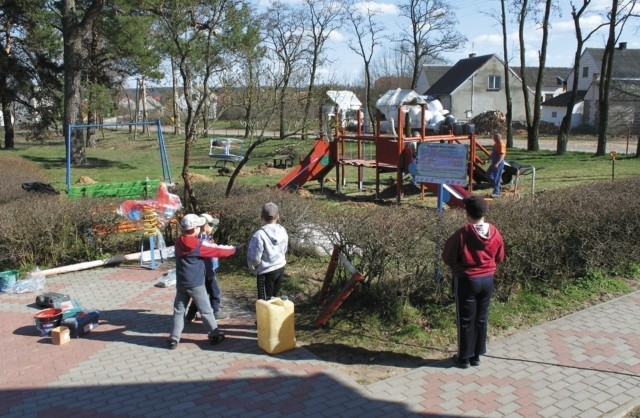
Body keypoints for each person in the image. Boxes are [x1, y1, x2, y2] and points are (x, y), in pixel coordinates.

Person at [442, 196, 505, 368]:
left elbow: (447, 256)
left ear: (467, 213)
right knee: (481, 318)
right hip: (487, 280)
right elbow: (500, 256)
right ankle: (477, 355)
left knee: (465, 319)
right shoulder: (494, 231)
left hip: (467, 280)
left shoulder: (463, 233)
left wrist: (458, 264)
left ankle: (464, 357)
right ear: (485, 212)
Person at [167, 214, 239, 350]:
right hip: (196, 284)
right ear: (195, 229)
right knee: (206, 310)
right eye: (199, 226)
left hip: (182, 283)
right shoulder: (197, 245)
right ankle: (214, 334)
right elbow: (217, 251)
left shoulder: (178, 241)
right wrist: (234, 249)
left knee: (178, 310)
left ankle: (173, 338)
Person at [185, 213, 228, 322]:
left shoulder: (207, 238)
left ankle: (190, 314)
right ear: (204, 225)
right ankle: (215, 312)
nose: (213, 227)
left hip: (207, 270)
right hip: (206, 271)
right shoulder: (202, 240)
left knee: (200, 294)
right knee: (215, 292)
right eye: (211, 224)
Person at [247, 202, 288, 300]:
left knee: (264, 301)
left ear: (261, 216)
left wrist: (255, 267)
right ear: (278, 216)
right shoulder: (283, 230)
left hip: (266, 271)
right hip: (280, 268)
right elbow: (285, 248)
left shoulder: (259, 235)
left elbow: (255, 257)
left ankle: (265, 316)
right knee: (274, 298)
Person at [486, 132, 506, 198]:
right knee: (488, 175)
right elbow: (492, 153)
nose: (493, 139)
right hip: (494, 163)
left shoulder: (501, 145)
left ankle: (497, 192)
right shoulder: (495, 144)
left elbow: (502, 156)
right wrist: (487, 159)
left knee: (496, 177)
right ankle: (498, 186)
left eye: (494, 138)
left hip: (499, 163)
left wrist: (497, 164)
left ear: (498, 138)